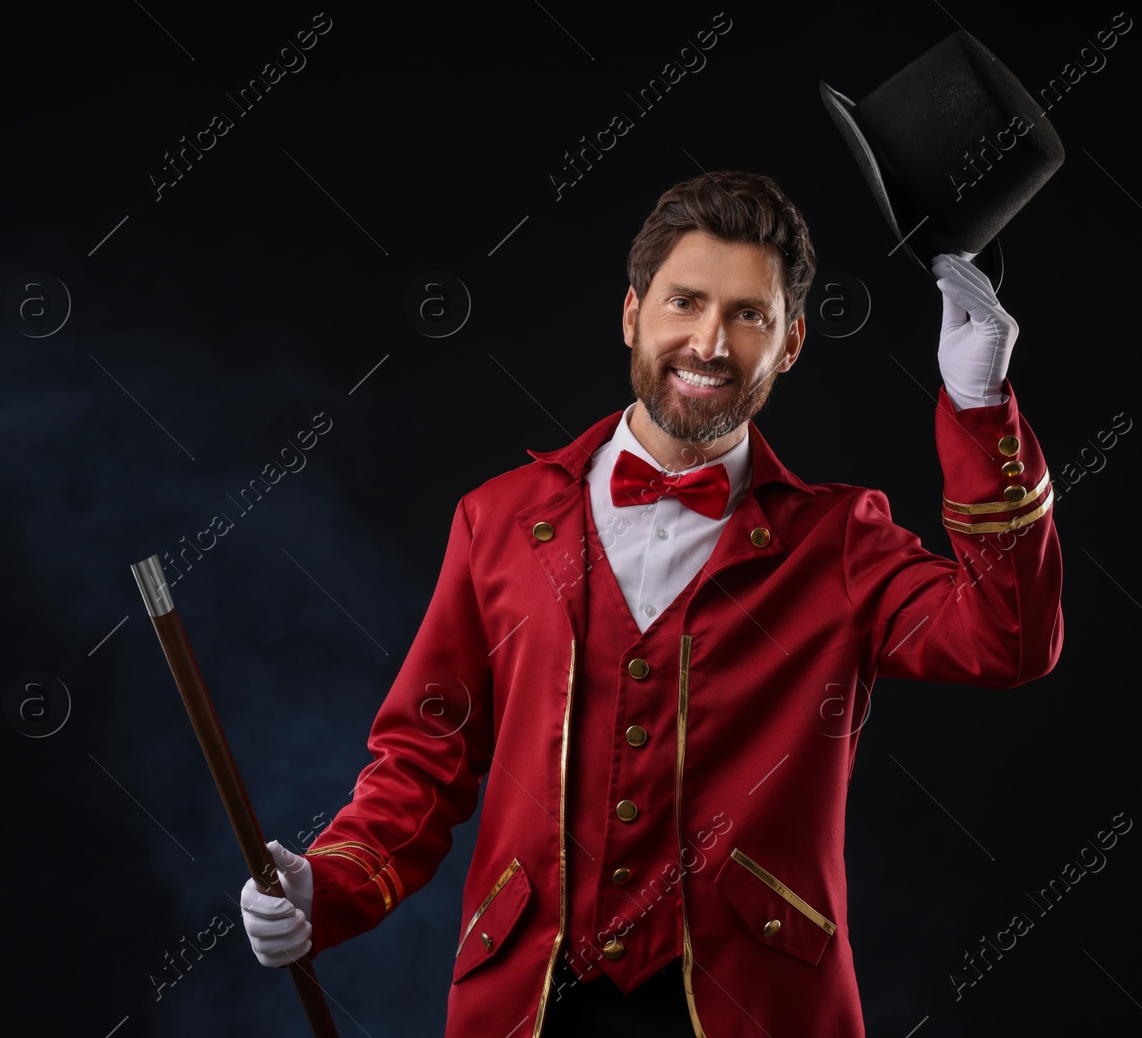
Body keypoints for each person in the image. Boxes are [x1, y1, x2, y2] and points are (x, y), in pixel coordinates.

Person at [241, 170, 1063, 1037]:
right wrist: (323, 884)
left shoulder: (840, 541)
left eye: (750, 315)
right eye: (685, 302)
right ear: (632, 313)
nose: (710, 342)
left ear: (790, 345)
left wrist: (979, 406)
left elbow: (1008, 636)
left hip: (757, 1006)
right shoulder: (498, 519)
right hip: (530, 1003)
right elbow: (423, 760)